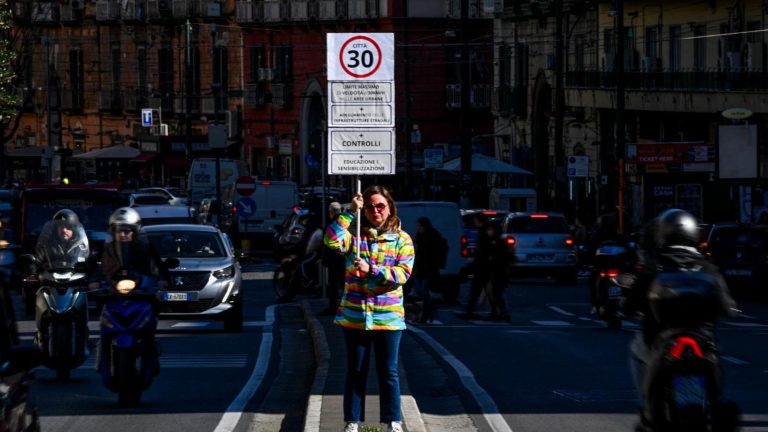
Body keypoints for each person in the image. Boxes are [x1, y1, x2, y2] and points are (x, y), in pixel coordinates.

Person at [623, 209, 737, 426]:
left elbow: (631, 304)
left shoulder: (654, 266)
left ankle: (648, 406)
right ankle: (715, 403)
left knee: (636, 354)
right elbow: (727, 305)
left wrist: (629, 307)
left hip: (661, 339)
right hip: (702, 340)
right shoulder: (707, 267)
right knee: (716, 366)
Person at [324, 185, 414, 432]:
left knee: (389, 372)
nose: (376, 211)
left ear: (390, 208)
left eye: (381, 206)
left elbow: (402, 274)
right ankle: (352, 421)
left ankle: (393, 421)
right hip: (355, 315)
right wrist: (350, 212)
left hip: (388, 317)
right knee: (355, 370)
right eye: (371, 207)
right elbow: (330, 239)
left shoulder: (402, 239)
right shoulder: (354, 237)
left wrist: (371, 270)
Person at [457, 220, 510, 321]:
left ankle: (500, 313)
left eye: (490, 230)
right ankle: (475, 311)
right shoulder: (486, 240)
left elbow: (501, 258)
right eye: (488, 230)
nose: (488, 232)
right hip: (484, 270)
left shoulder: (498, 242)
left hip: (492, 271)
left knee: (494, 294)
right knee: (482, 292)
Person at [411, 217, 445, 323]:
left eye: (420, 226)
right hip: (421, 268)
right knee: (419, 290)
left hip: (429, 268)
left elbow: (432, 253)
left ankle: (425, 314)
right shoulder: (421, 235)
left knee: (423, 290)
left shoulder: (432, 236)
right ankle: (428, 309)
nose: (418, 228)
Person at [319, 202, 345, 315]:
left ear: (331, 212)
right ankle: (343, 307)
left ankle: (333, 307)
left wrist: (324, 258)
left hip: (334, 260)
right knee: (344, 284)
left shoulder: (331, 224)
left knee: (334, 285)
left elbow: (327, 244)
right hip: (344, 258)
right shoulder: (345, 223)